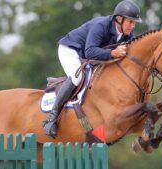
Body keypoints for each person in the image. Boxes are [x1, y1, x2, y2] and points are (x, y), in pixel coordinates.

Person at [42, 0, 142, 138]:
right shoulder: (100, 25)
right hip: (70, 50)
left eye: (134, 22)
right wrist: (112, 53)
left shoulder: (127, 34)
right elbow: (90, 52)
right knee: (77, 77)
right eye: (130, 21)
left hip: (87, 56)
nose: (133, 25)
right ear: (119, 19)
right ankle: (51, 117)